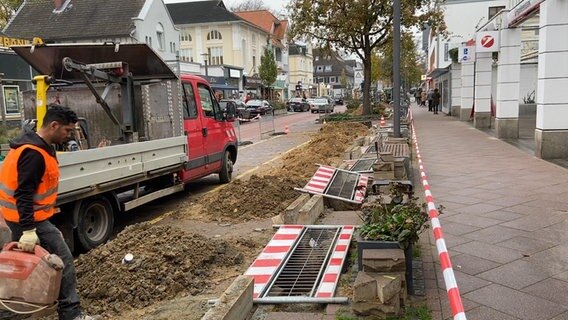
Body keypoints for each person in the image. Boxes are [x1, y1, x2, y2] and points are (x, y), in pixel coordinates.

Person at [0, 105, 100, 320]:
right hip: (29, 221)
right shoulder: (33, 154)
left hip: (24, 219)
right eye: (67, 131)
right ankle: (71, 314)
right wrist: (28, 229)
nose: (69, 135)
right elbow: (24, 194)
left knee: (25, 267)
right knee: (63, 262)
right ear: (53, 125)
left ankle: (15, 310)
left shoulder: (37, 147)